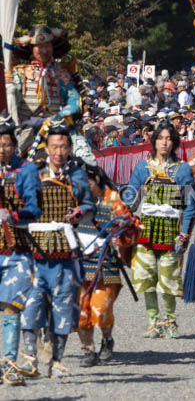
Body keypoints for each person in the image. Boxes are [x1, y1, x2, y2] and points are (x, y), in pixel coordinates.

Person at [18, 125, 95, 379]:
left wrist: (79, 212)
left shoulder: (77, 176)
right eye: (55, 147)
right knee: (31, 308)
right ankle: (30, 358)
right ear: (47, 149)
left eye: (64, 147)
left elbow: (88, 203)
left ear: (70, 149)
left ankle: (57, 361)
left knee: (62, 310)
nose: (59, 151)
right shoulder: (35, 175)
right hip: (36, 250)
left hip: (64, 250)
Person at [123, 121, 195, 338]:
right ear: (154, 141)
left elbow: (189, 205)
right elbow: (131, 198)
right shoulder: (142, 167)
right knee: (146, 277)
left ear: (174, 142)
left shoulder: (183, 169)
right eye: (160, 138)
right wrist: (122, 215)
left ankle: (170, 321)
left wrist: (184, 233)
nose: (164, 142)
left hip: (171, 230)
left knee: (168, 279)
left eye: (168, 138)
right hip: (145, 230)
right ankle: (153, 321)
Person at [76, 164, 138, 367]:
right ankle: (88, 350)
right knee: (80, 312)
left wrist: (124, 228)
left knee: (100, 309)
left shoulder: (115, 203)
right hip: (80, 265)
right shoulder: (75, 202)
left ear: (97, 180)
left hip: (106, 265)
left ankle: (107, 339)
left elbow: (131, 231)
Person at [7, 26, 96, 164]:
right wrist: (8, 85)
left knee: (87, 159)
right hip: (25, 130)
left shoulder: (61, 74)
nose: (44, 50)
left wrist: (57, 117)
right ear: (32, 48)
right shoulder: (19, 74)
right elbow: (9, 102)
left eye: (47, 45)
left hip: (57, 126)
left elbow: (75, 102)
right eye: (39, 46)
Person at [0, 121, 38, 386]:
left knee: (10, 305)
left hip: (16, 247)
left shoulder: (25, 171)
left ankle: (9, 361)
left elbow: (35, 208)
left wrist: (14, 214)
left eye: (6, 144)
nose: (1, 149)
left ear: (14, 145)